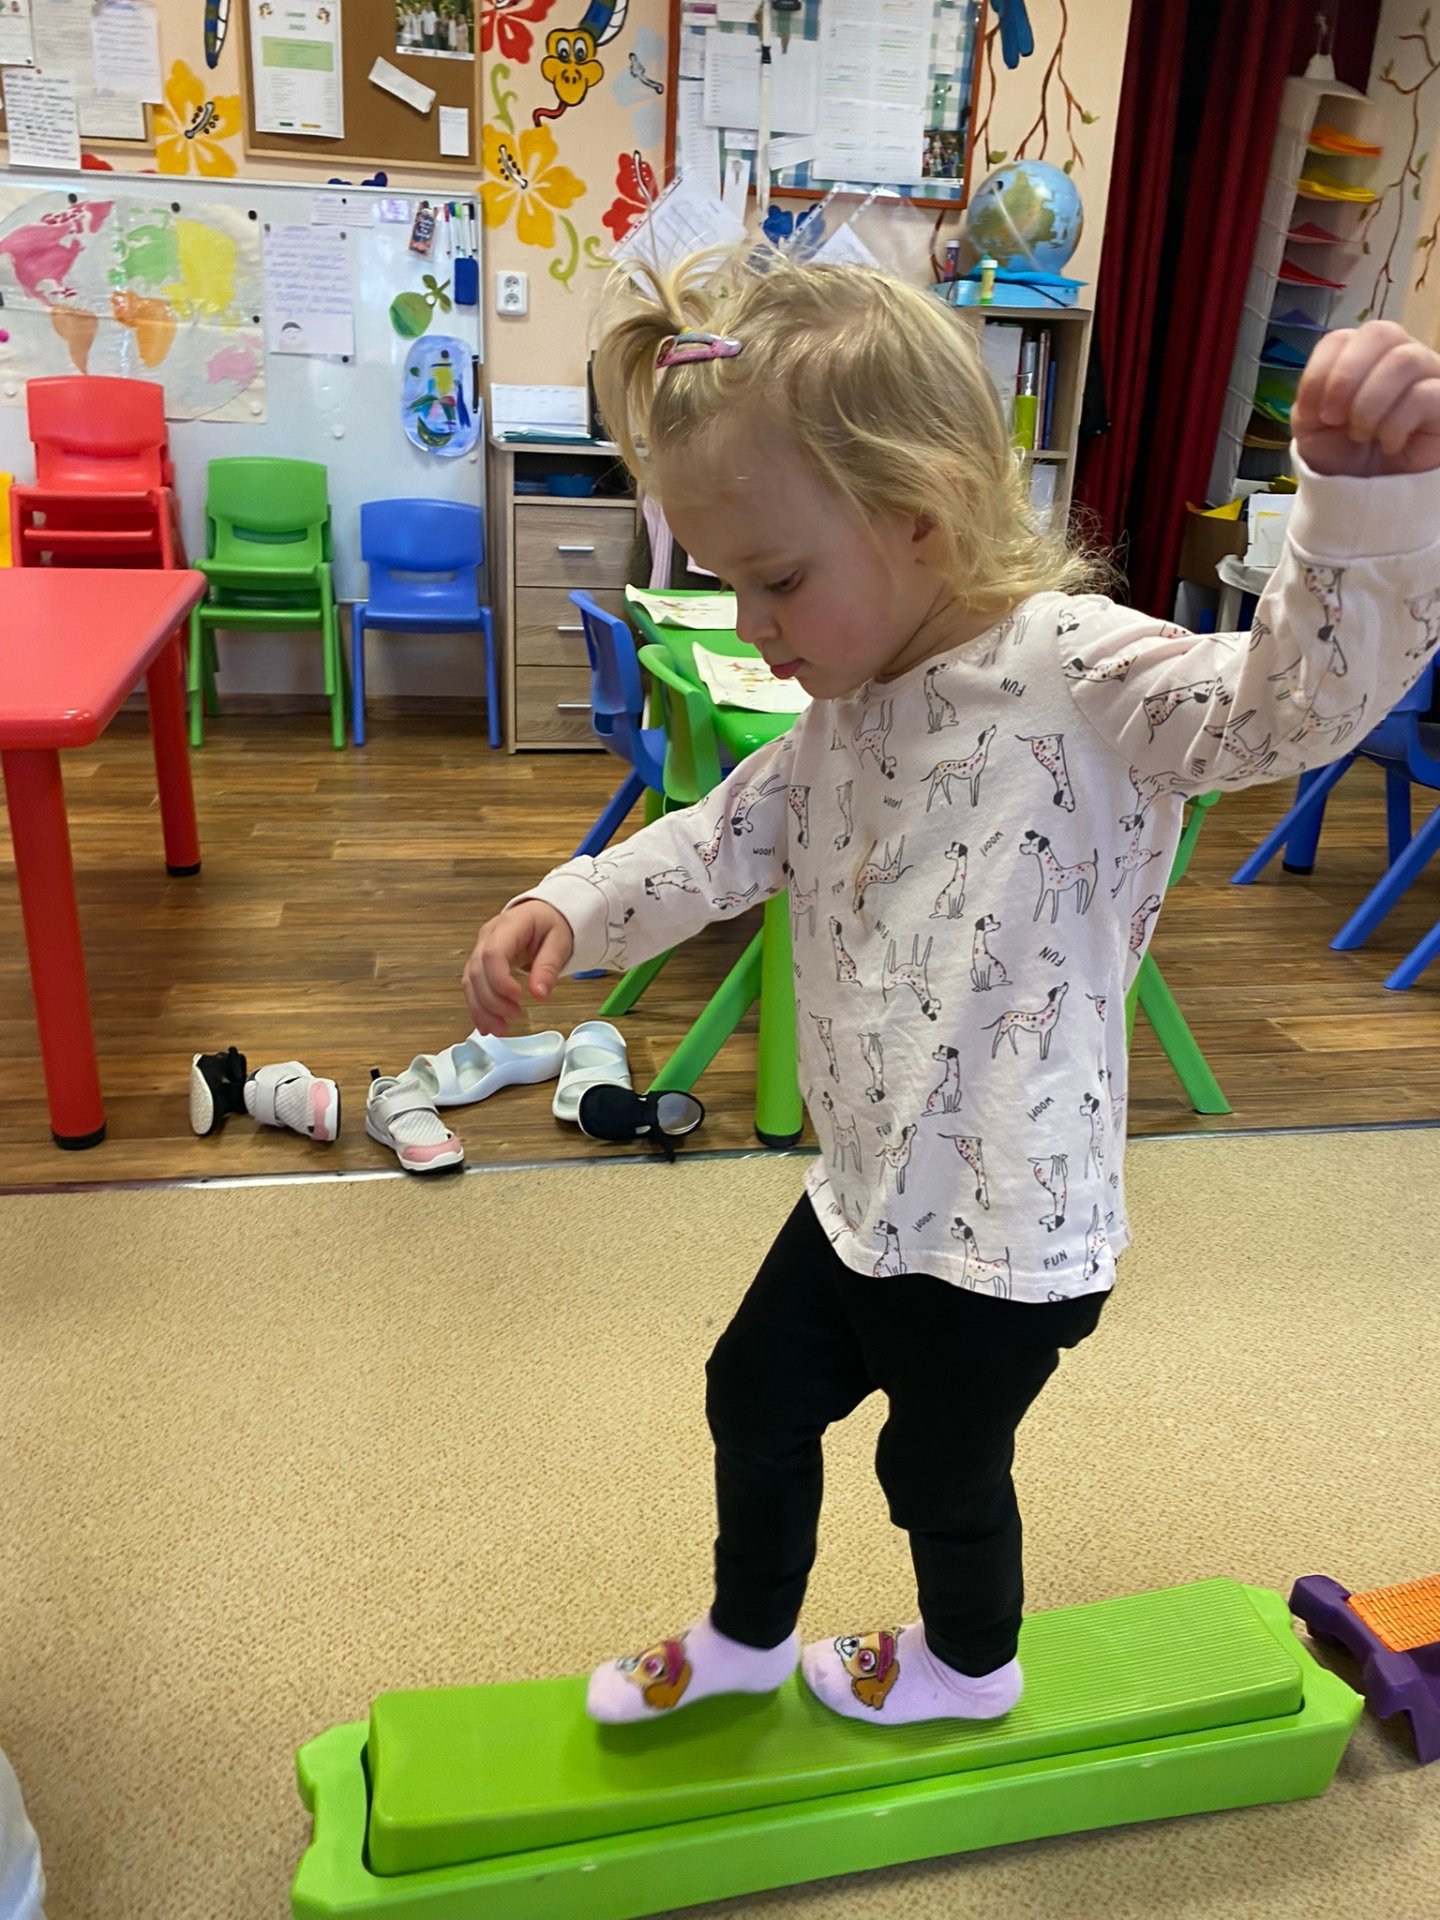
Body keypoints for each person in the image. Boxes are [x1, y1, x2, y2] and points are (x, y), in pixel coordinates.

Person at [464, 248, 1440, 1730]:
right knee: (751, 1392)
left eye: (779, 580)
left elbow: (1286, 709)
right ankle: (745, 1633)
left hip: (1006, 1234)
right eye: (728, 582)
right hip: (866, 1190)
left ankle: (973, 1667)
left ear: (919, 517)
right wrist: (572, 902)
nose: (755, 624)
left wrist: (1359, 510)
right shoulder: (840, 719)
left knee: (934, 1469)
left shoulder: (1077, 669)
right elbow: (716, 841)